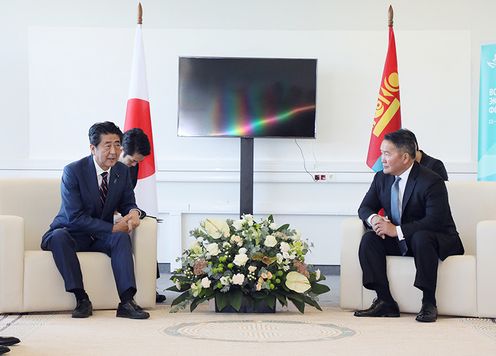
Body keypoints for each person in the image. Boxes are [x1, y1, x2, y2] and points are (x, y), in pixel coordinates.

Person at [41, 121, 150, 319]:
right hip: (71, 232)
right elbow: (74, 217)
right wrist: (112, 228)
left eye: (117, 144)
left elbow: (127, 202)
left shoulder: (122, 171)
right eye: (107, 145)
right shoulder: (73, 171)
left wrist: (134, 212)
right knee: (58, 237)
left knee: (121, 238)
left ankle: (127, 301)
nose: (113, 151)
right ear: (93, 148)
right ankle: (81, 299)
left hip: (99, 236)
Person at [354, 129, 464, 322]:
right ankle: (385, 301)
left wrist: (395, 230)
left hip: (435, 239)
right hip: (406, 240)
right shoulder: (381, 178)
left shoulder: (431, 180)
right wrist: (375, 220)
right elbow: (365, 207)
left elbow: (435, 220)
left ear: (405, 157)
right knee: (370, 239)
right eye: (381, 153)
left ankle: (429, 302)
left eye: (387, 154)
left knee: (422, 237)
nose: (382, 159)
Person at [119, 128, 166, 303]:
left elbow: (128, 195)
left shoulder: (133, 166)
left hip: (123, 210)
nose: (134, 165)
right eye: (132, 161)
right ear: (121, 150)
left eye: (137, 162)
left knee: (147, 224)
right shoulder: (104, 164)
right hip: (103, 214)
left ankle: (149, 287)